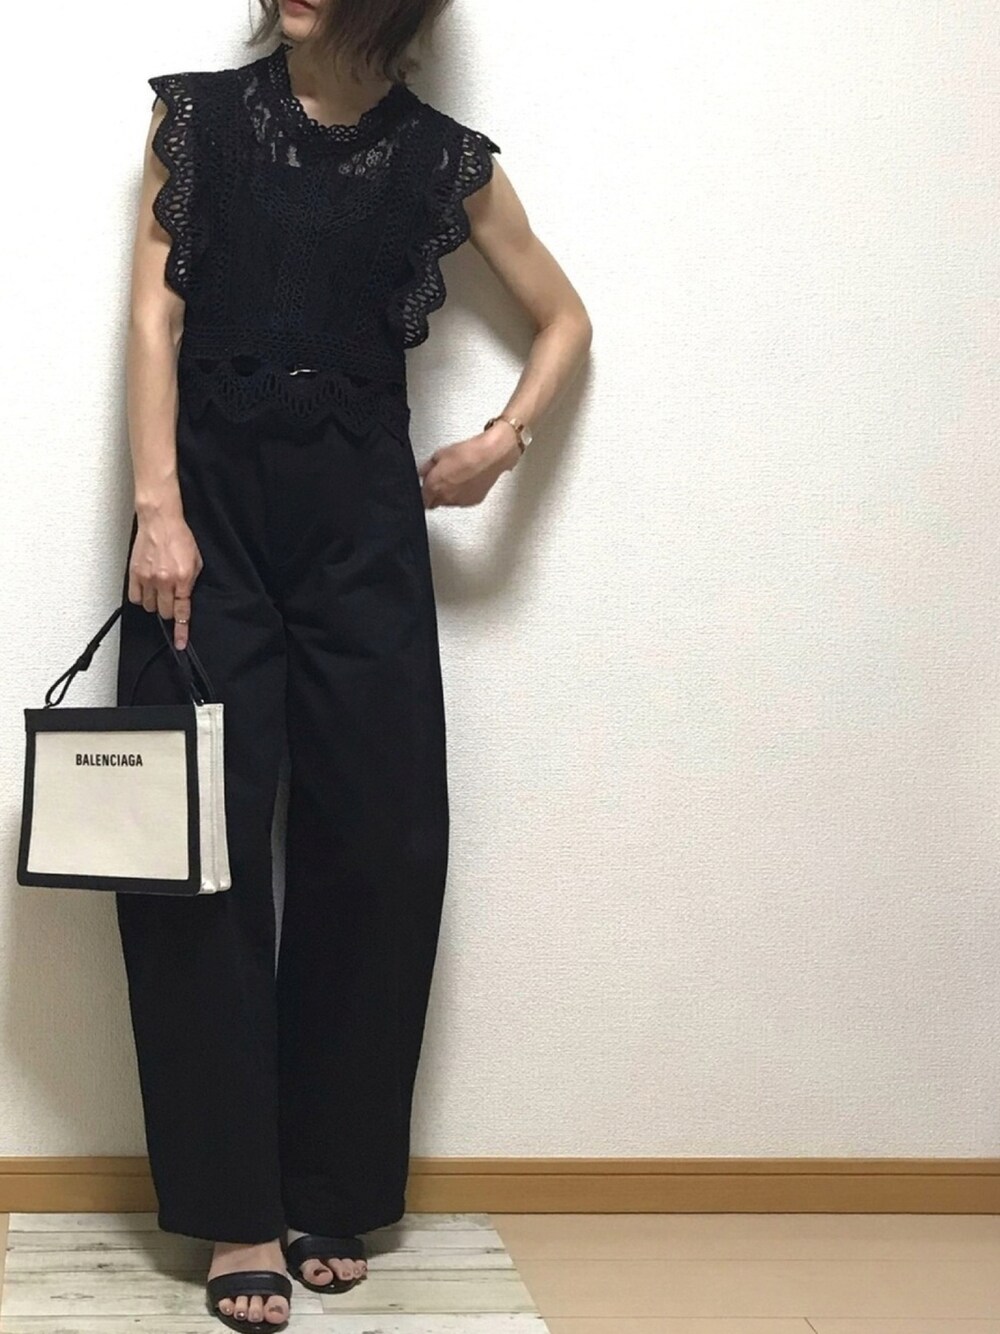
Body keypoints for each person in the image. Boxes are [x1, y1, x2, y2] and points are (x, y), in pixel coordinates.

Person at [113, 0, 592, 1329]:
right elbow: (153, 319)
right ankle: (235, 1207)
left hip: (363, 524)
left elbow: (565, 319)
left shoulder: (443, 160)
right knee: (196, 847)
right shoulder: (198, 121)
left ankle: (330, 1180)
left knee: (377, 842)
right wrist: (157, 508)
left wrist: (499, 443)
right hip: (204, 513)